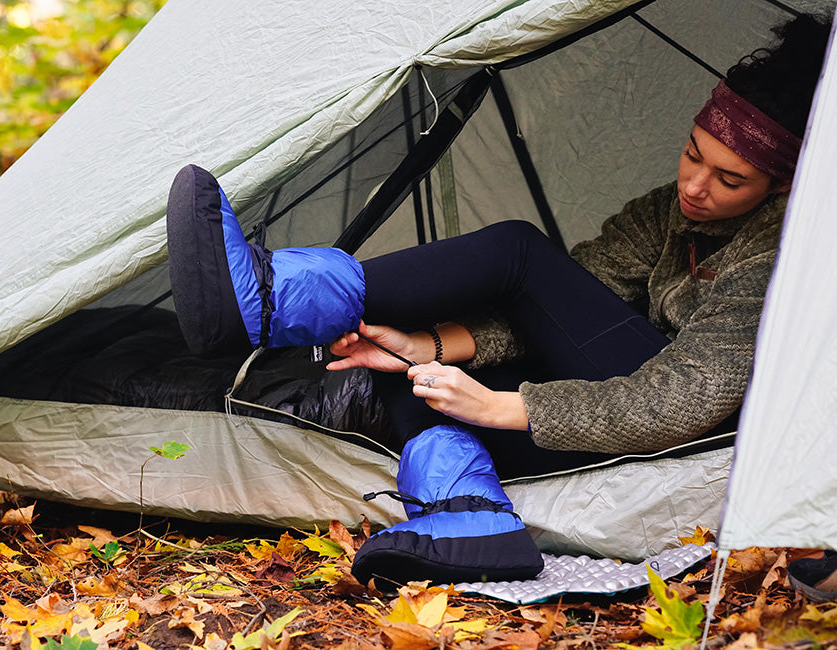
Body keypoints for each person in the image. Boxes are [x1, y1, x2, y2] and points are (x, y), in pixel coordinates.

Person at [165, 14, 832, 587]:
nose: (695, 185)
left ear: (781, 187)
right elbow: (560, 306)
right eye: (693, 154)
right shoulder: (668, 212)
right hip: (612, 406)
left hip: (688, 428)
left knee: (516, 250)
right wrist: (427, 347)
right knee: (413, 368)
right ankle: (471, 523)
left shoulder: (782, 251)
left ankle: (276, 299)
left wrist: (504, 407)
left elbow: (683, 400)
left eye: (730, 179)